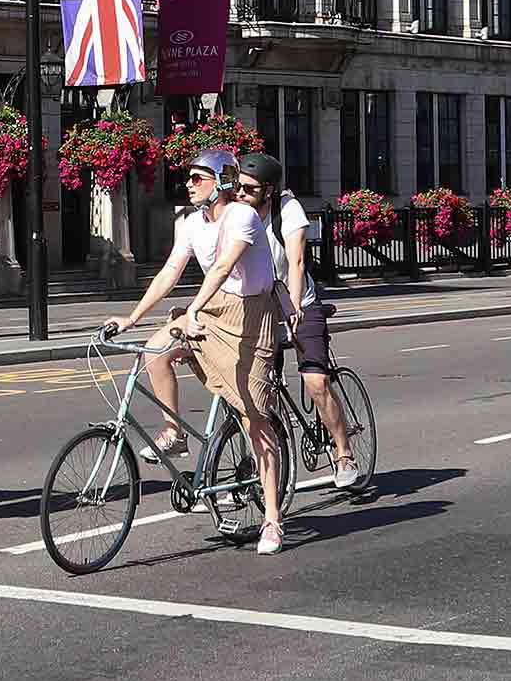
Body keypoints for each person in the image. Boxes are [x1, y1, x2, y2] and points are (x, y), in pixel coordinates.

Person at [102, 148, 288, 554]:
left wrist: (193, 309)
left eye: (198, 177)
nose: (188, 183)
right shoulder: (188, 223)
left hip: (249, 315)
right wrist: (132, 318)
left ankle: (272, 519)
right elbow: (170, 271)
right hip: (210, 307)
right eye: (188, 177)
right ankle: (174, 433)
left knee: (254, 416)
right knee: (155, 349)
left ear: (222, 182)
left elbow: (223, 266)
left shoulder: (243, 215)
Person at [237, 153, 361, 490]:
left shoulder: (287, 210)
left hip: (300, 304)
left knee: (316, 382)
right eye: (237, 186)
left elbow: (296, 260)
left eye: (249, 188)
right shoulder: (237, 213)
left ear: (269, 190)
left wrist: (293, 309)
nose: (241, 193)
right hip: (261, 311)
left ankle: (343, 453)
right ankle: (266, 462)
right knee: (259, 391)